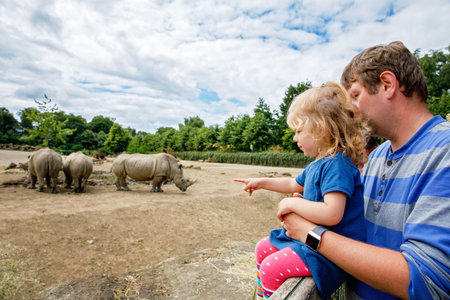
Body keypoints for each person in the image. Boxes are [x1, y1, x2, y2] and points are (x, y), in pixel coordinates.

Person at [281, 41, 450, 299]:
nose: (351, 110)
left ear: (387, 84)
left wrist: (310, 233)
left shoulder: (444, 153)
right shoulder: (379, 156)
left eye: (356, 96)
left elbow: (426, 281)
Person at [235, 82, 366, 299]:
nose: (295, 138)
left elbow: (332, 213)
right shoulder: (318, 163)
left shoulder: (337, 165)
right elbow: (291, 184)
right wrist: (260, 181)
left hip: (332, 253)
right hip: (313, 242)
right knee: (261, 248)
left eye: (298, 131)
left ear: (321, 127)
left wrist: (290, 204)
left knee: (271, 267)